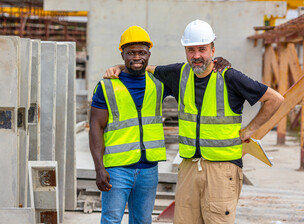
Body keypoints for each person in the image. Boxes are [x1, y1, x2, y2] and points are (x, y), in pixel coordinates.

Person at [104, 20, 284, 224]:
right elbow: (142, 66)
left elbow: (275, 99)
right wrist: (118, 67)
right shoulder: (179, 74)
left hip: (222, 168)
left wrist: (250, 130)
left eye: (202, 49)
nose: (196, 55)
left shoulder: (229, 77)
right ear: (185, 50)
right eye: (191, 50)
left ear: (212, 49)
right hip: (189, 166)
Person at [90, 25, 231, 224]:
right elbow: (96, 126)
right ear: (122, 54)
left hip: (149, 170)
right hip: (117, 169)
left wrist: (220, 62)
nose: (136, 57)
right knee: (111, 220)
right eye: (131, 53)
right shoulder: (107, 86)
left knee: (142, 221)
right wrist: (99, 168)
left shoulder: (158, 83)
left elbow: (196, 72)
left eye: (141, 52)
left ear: (149, 55)